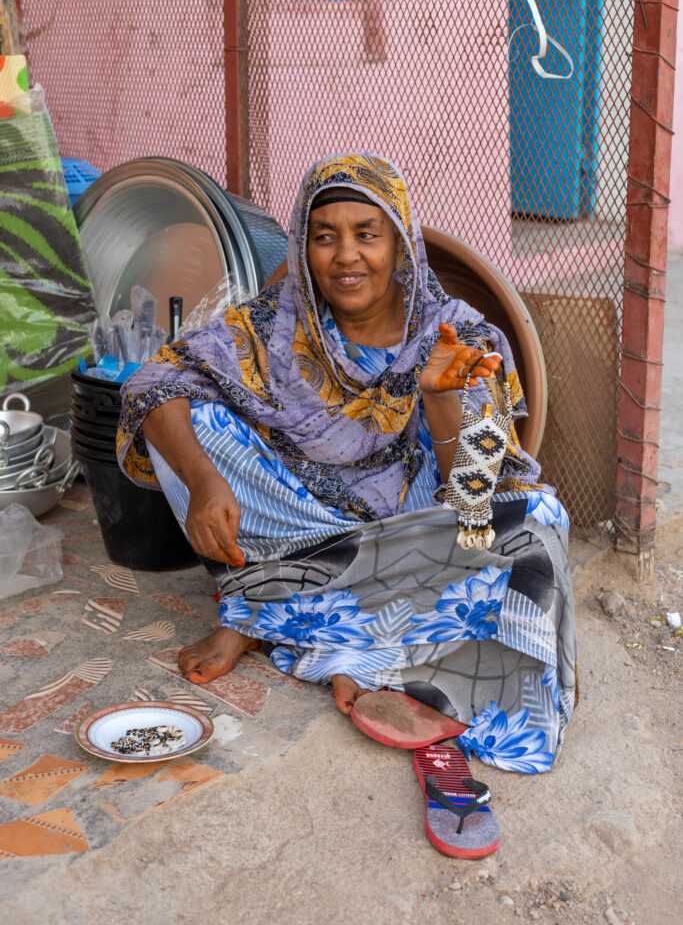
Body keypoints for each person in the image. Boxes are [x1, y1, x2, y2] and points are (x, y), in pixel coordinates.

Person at [117, 152, 575, 775]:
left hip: (409, 525)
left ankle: (276, 615)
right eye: (325, 237)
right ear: (304, 248)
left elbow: (473, 496)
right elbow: (154, 377)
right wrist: (203, 481)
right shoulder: (276, 322)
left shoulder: (457, 334)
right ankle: (338, 631)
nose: (346, 256)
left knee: (536, 524)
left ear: (401, 243)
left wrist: (441, 400)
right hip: (302, 524)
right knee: (182, 418)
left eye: (367, 235)